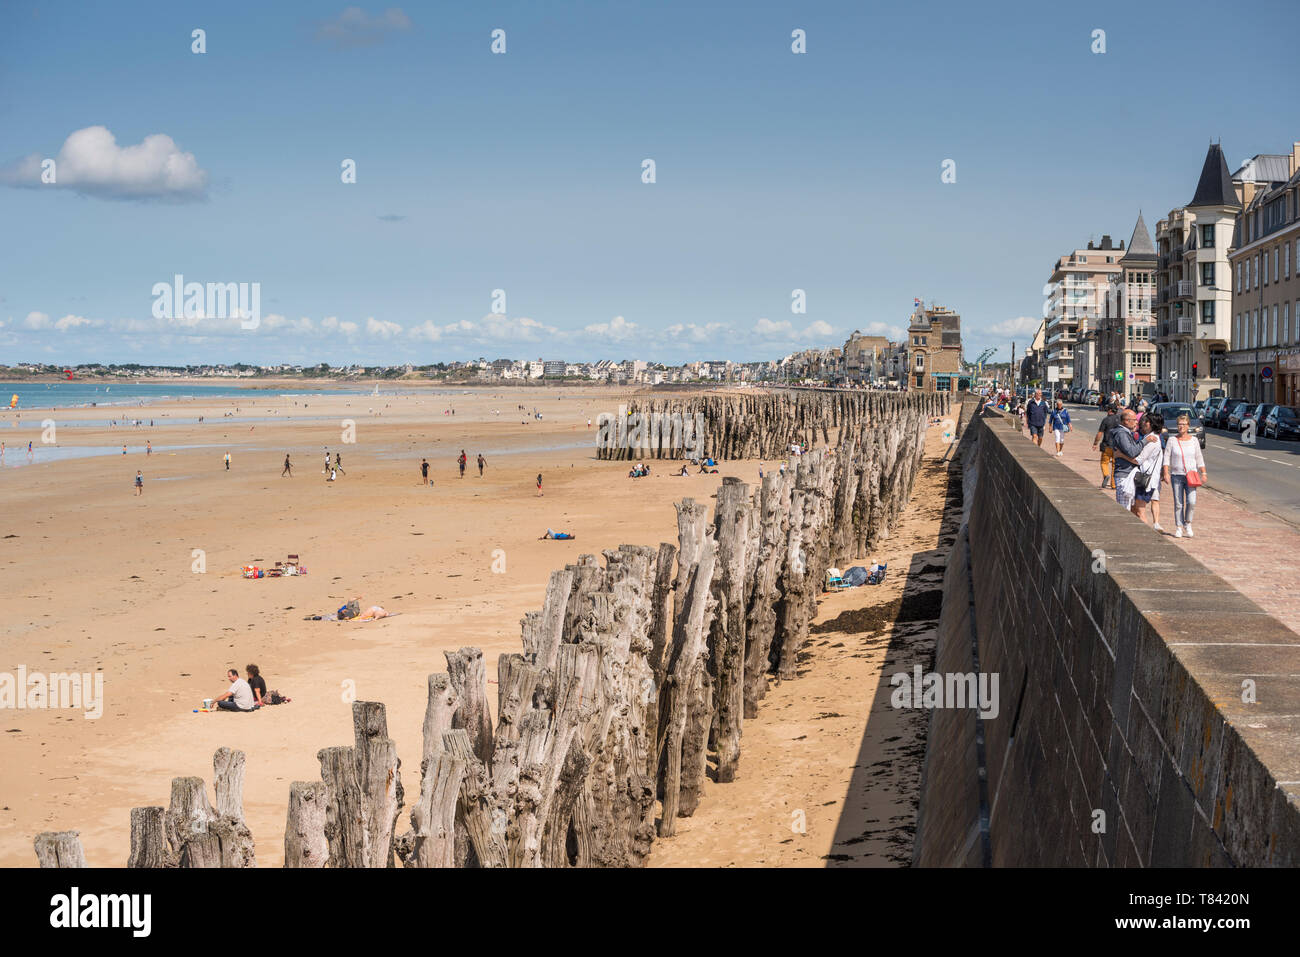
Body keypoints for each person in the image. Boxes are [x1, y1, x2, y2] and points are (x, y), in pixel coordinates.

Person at [1163, 413, 1207, 538]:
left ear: (1188, 425)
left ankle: (1188, 523)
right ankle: (1179, 526)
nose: (1181, 427)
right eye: (1179, 424)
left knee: (1191, 501)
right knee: (1178, 503)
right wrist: (1166, 472)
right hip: (1176, 475)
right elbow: (1166, 457)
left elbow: (1199, 457)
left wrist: (1203, 472)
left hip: (1191, 475)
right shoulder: (1172, 440)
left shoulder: (1194, 441)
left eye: (1183, 424)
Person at [1130, 414, 1165, 530]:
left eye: (1147, 421)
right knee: (1134, 508)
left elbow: (1139, 459)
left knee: (1140, 511)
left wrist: (1121, 455)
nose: (1144, 423)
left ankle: (1147, 535)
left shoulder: (1152, 440)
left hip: (1146, 481)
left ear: (1152, 424)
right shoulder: (1149, 437)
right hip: (1147, 479)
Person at [1108, 409, 1144, 509]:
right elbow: (1131, 452)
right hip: (1124, 475)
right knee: (1124, 508)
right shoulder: (1121, 434)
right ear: (1126, 421)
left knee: (1130, 506)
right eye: (1134, 419)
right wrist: (1144, 441)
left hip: (1128, 473)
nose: (1137, 422)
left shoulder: (1126, 432)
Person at [1092, 403, 1120, 489]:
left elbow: (1100, 433)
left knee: (1104, 463)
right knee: (1115, 465)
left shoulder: (1106, 420)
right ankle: (1114, 484)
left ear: (1110, 410)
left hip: (1107, 445)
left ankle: (1106, 475)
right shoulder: (1120, 419)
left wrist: (1095, 443)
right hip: (1117, 447)